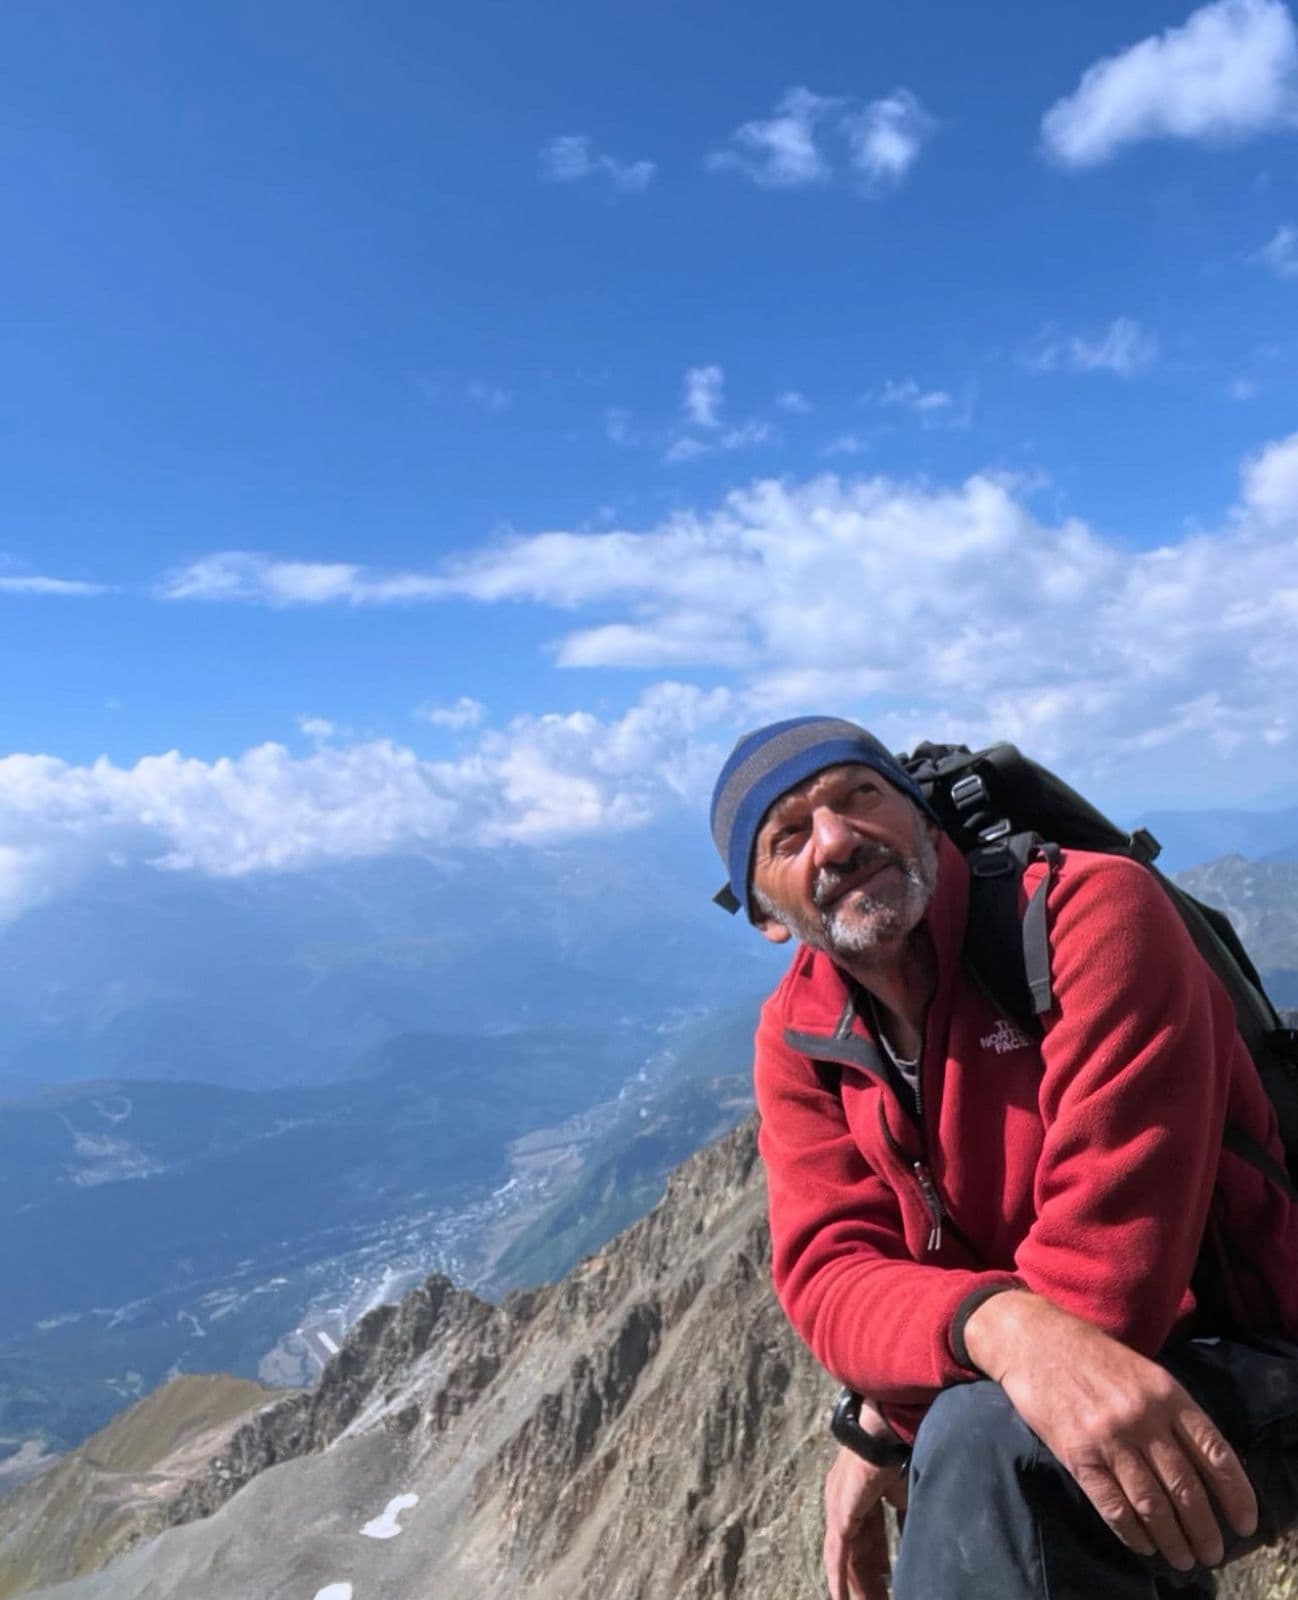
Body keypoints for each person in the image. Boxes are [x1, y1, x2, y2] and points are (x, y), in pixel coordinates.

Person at [709, 715, 1298, 1600]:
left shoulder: (1091, 916)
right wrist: (994, 1328)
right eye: (788, 836)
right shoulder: (799, 1036)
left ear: (921, 817)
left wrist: (890, 1420)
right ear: (764, 915)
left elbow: (1111, 1290)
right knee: (992, 1434)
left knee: (986, 1445)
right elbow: (828, 1277)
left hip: (1261, 1351)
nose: (835, 839)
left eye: (859, 796)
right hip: (1088, 1398)